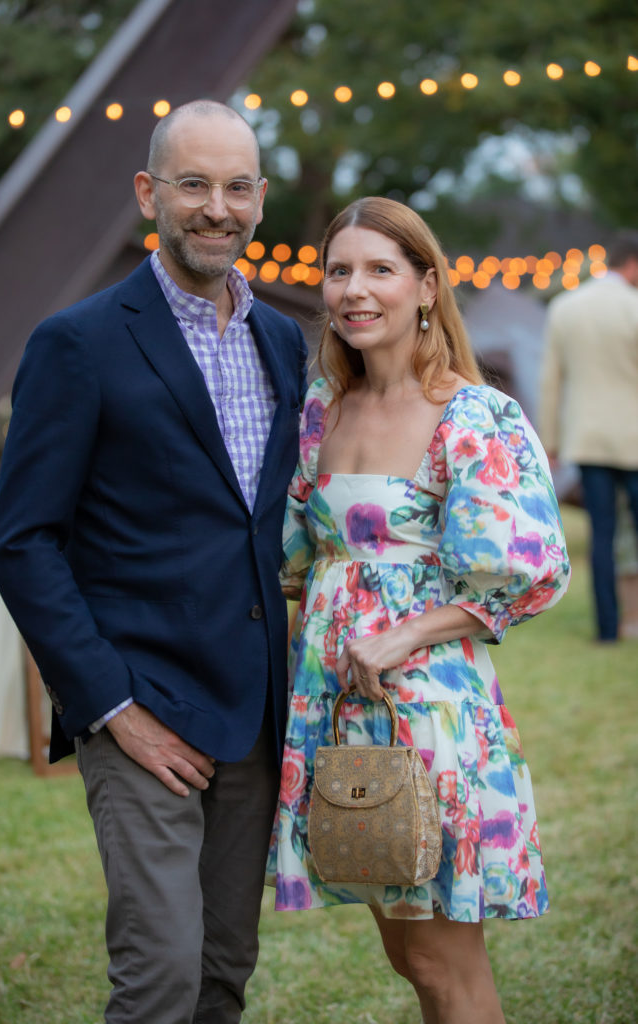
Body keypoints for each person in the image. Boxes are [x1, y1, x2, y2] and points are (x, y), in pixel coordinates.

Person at [0, 100, 307, 1024]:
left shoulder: (282, 340)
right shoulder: (78, 343)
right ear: (149, 193)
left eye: (238, 186)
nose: (218, 207)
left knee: (222, 970)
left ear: (259, 200)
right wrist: (114, 709)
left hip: (254, 708)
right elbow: (24, 542)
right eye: (194, 184)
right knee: (161, 974)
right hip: (141, 705)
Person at [270, 197, 571, 1023]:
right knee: (405, 954)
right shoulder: (321, 412)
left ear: (427, 285)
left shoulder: (473, 416)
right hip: (333, 708)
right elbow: (297, 565)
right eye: (339, 272)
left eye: (380, 270)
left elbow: (530, 576)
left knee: (442, 963)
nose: (354, 291)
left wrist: (406, 632)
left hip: (429, 709)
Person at [538, 230, 638, 642]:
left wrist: (550, 441)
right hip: (634, 437)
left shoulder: (565, 306)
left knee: (601, 534)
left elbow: (551, 381)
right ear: (632, 264)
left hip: (587, 437)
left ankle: (608, 629)